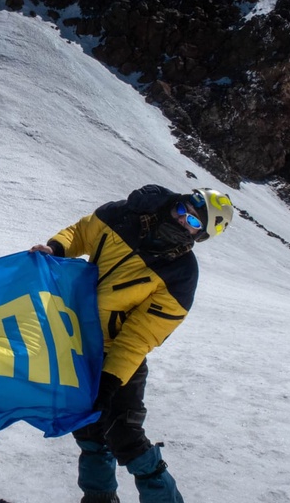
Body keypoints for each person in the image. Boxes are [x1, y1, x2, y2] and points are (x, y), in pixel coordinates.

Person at [30, 185, 233, 503]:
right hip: (79, 343)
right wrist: (56, 249)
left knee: (125, 434)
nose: (183, 220)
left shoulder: (180, 275)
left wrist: (110, 381)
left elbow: (138, 336)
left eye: (194, 223)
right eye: (183, 211)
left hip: (118, 355)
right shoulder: (124, 214)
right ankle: (99, 498)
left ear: (201, 236)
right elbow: (83, 232)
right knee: (88, 431)